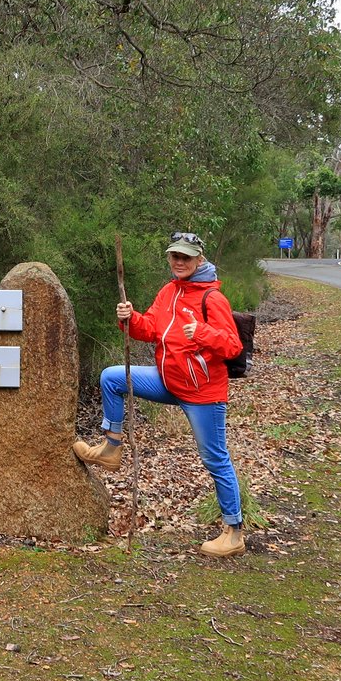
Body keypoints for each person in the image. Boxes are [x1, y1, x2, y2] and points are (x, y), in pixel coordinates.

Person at [73, 231, 248, 559]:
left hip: (202, 393)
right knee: (112, 378)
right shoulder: (169, 291)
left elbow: (232, 345)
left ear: (199, 259)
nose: (179, 262)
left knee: (215, 458)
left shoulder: (212, 298)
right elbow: (150, 329)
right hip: (168, 382)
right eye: (175, 256)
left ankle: (233, 531)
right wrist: (129, 319)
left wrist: (202, 332)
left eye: (186, 257)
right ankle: (111, 448)